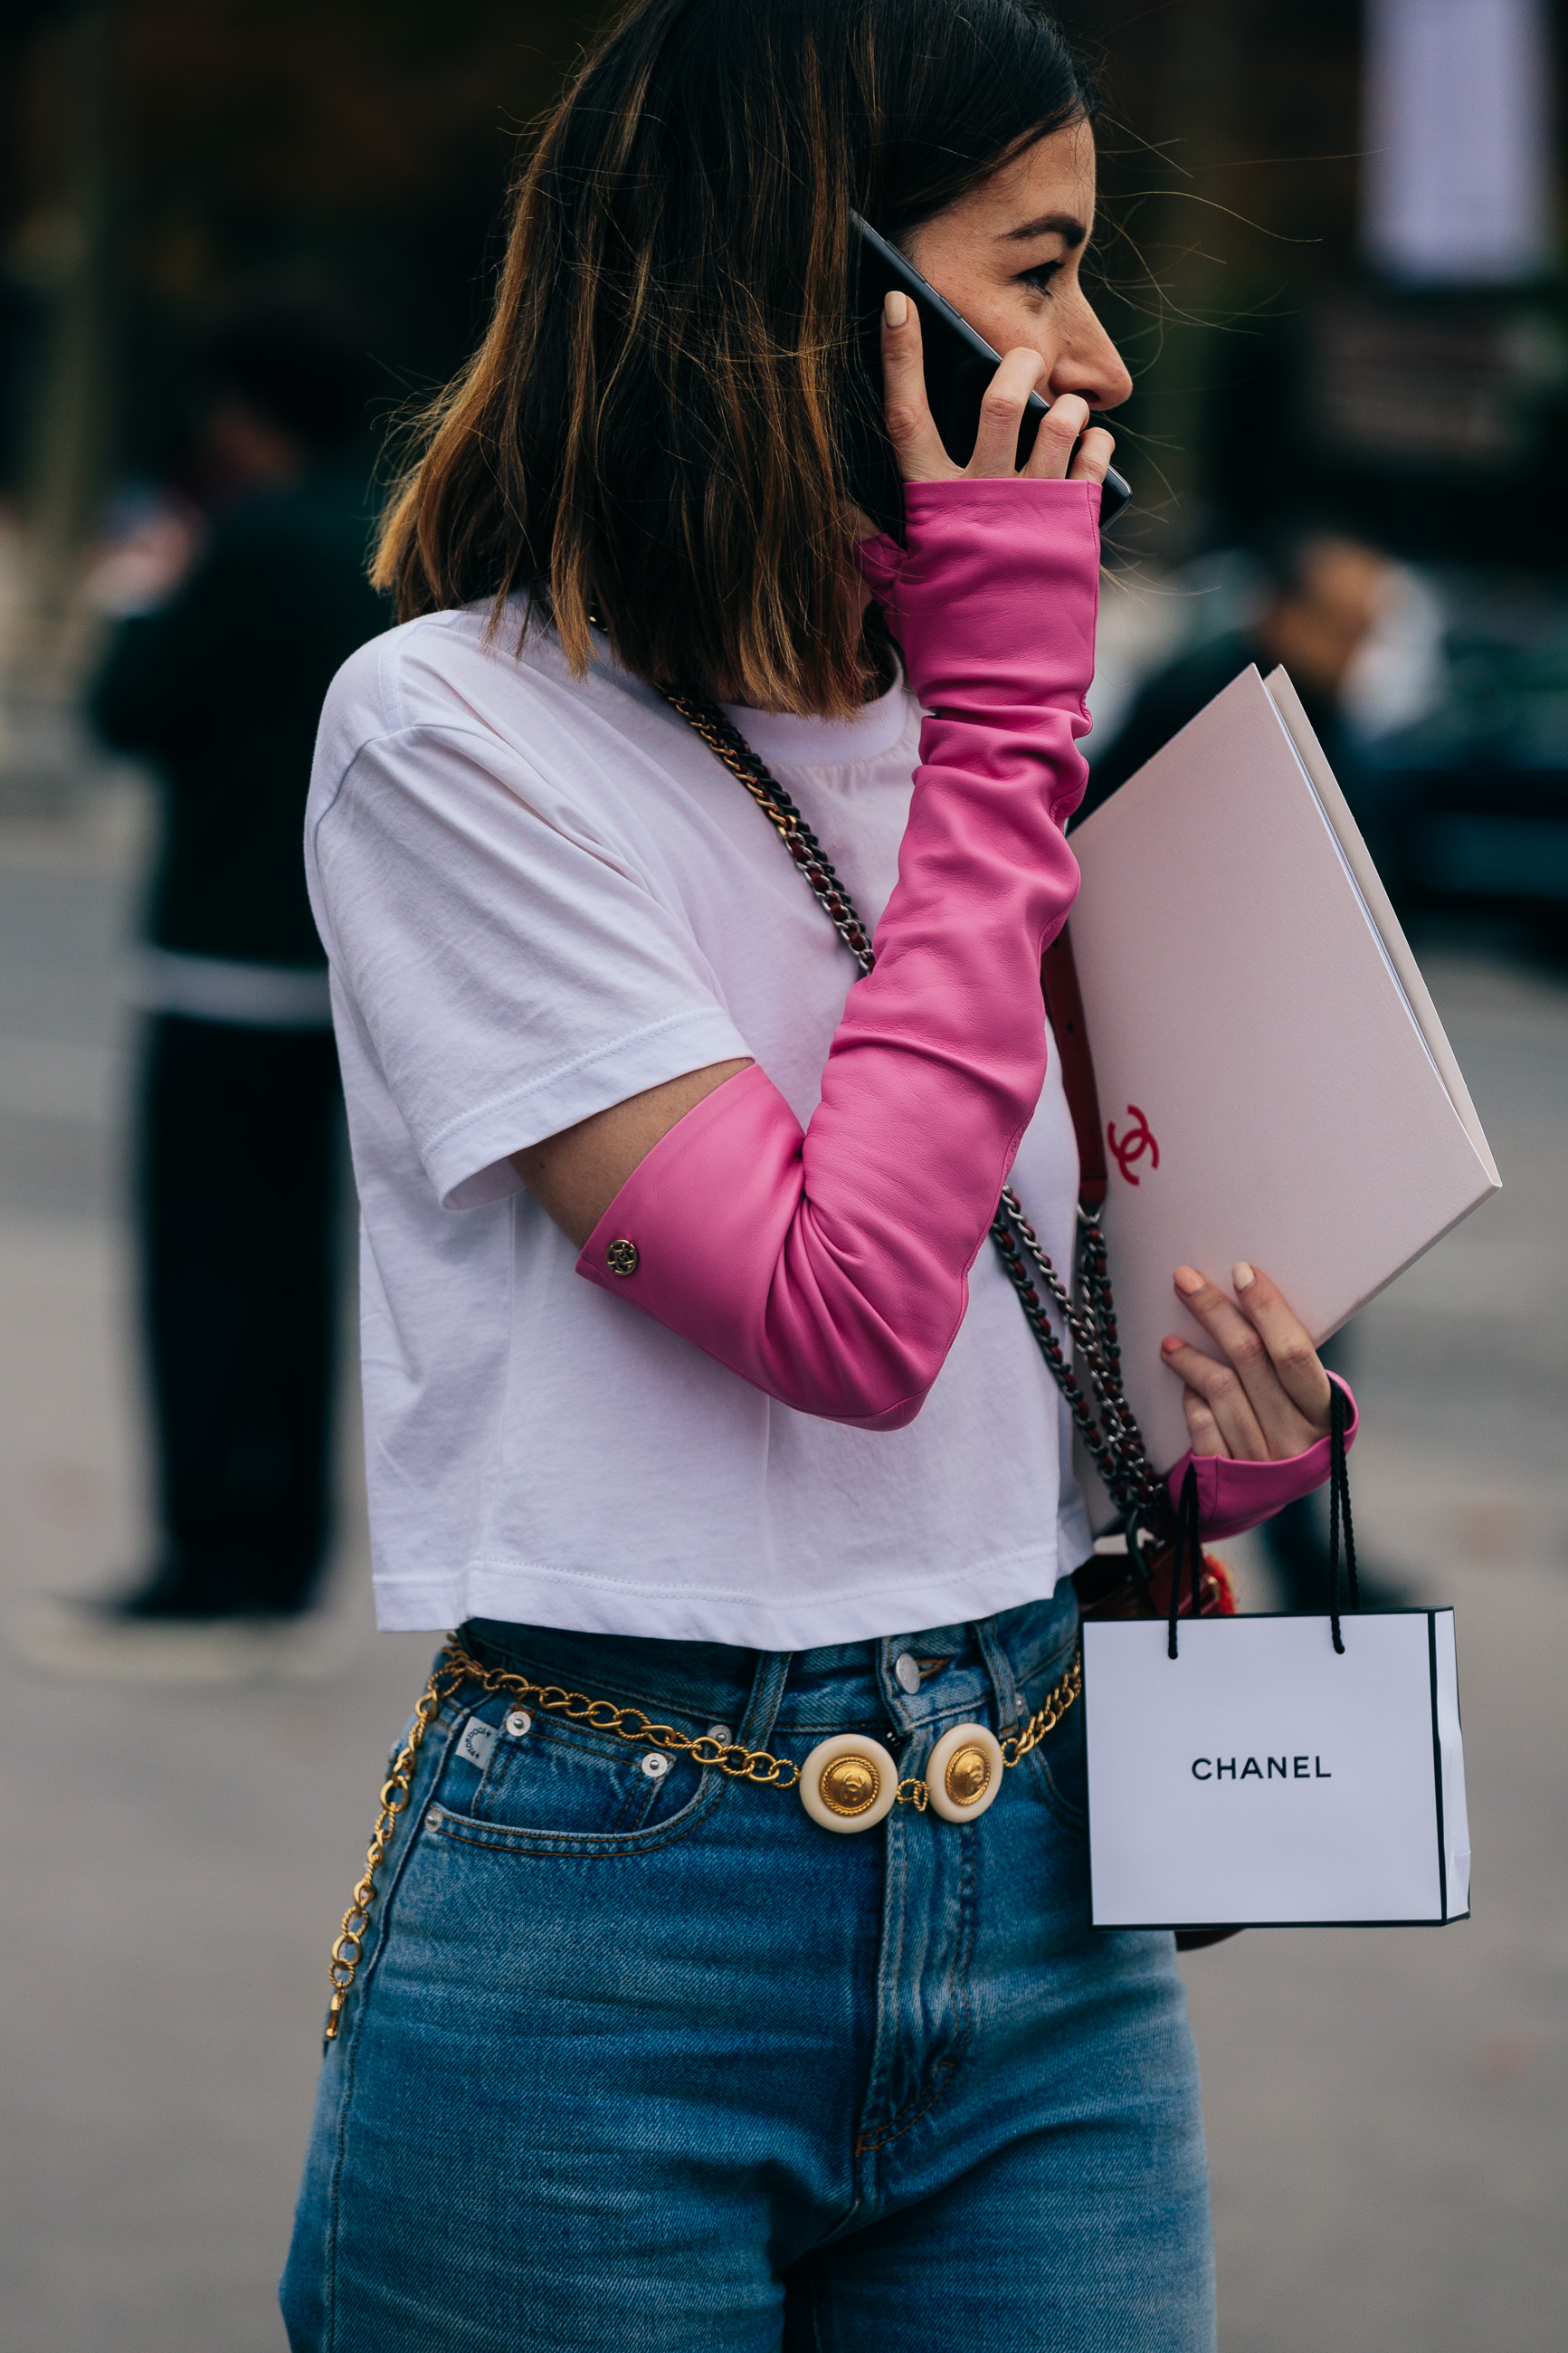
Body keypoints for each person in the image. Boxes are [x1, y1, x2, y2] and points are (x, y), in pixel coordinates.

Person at [280, 6, 1357, 2346]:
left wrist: (1226, 1435)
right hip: (615, 1918)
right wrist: (998, 733)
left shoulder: (984, 717)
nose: (1092, 355)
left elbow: (1016, 1300)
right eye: (1035, 265)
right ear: (817, 279)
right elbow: (836, 1312)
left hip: (1045, 1897)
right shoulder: (455, 740)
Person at [71, 303, 385, 1663]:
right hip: (341, 963)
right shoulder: (385, 538)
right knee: (297, 1263)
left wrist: (140, 590)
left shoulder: (243, 544)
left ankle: (206, 1554)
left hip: (215, 960)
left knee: (200, 1267)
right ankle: (286, 1547)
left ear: (250, 412)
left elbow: (125, 710)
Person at [1079, 525, 1405, 1613]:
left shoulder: (1332, 704)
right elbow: (1109, 850)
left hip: (1297, 1067)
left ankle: (1305, 1555)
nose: (1359, 646)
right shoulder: (1215, 688)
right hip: (1213, 1074)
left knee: (1300, 1327)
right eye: (1343, 623)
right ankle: (1295, 1563)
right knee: (1255, 1320)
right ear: (1281, 607)